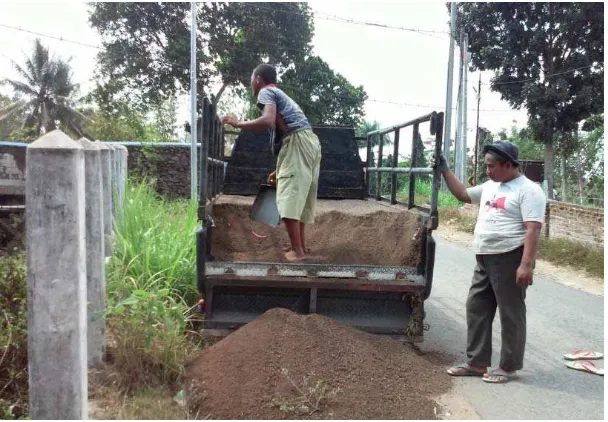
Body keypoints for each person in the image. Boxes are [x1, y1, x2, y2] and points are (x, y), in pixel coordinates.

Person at [434, 141, 546, 383]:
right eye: (487, 166)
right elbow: (463, 194)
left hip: (510, 256)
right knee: (476, 307)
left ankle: (508, 366)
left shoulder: (528, 190)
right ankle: (476, 363)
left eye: (491, 166)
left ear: (508, 165)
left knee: (510, 313)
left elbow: (533, 230)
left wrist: (526, 265)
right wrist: (445, 170)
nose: (488, 170)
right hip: (484, 258)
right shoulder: (490, 186)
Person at [222, 64, 322, 262]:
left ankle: (298, 252)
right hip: (309, 142)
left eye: (252, 78)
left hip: (298, 142)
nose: (251, 83)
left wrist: (237, 123)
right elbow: (287, 135)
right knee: (299, 197)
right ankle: (301, 247)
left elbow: (267, 120)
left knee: (288, 198)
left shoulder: (267, 91)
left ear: (258, 78)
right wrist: (279, 170)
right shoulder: (281, 96)